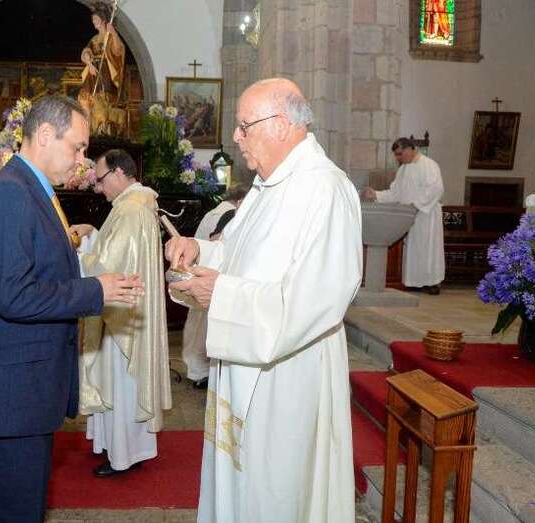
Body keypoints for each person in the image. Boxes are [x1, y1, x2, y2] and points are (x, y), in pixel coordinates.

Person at [165, 78, 362, 522]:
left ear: (281, 124)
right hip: (243, 356)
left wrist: (222, 294)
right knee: (241, 483)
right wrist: (200, 252)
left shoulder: (325, 189)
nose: (236, 137)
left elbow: (318, 299)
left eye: (244, 125)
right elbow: (241, 255)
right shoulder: (266, 186)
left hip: (288, 373)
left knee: (274, 489)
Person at [0, 95, 144, 522]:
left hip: (21, 391)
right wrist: (94, 291)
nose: (81, 160)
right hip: (8, 395)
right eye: (76, 147)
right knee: (14, 512)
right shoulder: (10, 194)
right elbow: (13, 295)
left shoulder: (31, 190)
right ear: (43, 135)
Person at [71, 149, 172, 477]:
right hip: (129, 312)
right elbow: (118, 250)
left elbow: (109, 264)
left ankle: (124, 454)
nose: (99, 188)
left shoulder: (130, 209)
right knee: (122, 383)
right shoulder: (137, 204)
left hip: (122, 318)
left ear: (117, 173)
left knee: (121, 382)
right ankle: (121, 447)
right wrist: (93, 233)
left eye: (101, 180)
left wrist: (75, 255)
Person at [182, 185, 247, 389]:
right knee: (202, 330)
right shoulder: (228, 214)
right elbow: (216, 241)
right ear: (239, 200)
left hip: (208, 277)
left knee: (197, 329)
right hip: (210, 279)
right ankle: (201, 371)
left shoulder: (215, 212)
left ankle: (197, 370)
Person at [362, 138, 445, 294]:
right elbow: (395, 193)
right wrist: (376, 194)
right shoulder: (403, 170)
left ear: (409, 149)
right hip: (408, 215)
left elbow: (436, 189)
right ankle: (414, 282)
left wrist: (416, 204)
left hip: (426, 215)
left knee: (428, 249)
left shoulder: (429, 165)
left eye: (400, 154)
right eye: (396, 155)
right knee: (413, 249)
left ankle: (432, 283)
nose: (398, 158)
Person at [78, 1, 126, 135]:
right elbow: (85, 53)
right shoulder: (94, 39)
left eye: (95, 19)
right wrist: (89, 64)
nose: (93, 22)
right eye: (93, 19)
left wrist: (114, 34)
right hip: (93, 72)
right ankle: (88, 128)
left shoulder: (109, 37)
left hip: (105, 73)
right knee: (86, 98)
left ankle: (102, 130)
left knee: (102, 101)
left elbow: (118, 51)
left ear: (103, 20)